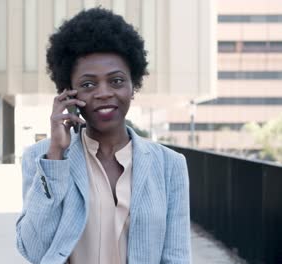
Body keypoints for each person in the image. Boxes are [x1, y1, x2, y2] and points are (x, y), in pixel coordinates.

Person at [16, 7, 191, 264]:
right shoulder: (41, 158)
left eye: (117, 81)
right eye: (88, 84)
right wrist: (56, 156)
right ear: (69, 93)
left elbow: (176, 257)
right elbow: (33, 249)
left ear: (133, 87)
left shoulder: (169, 165)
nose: (104, 93)